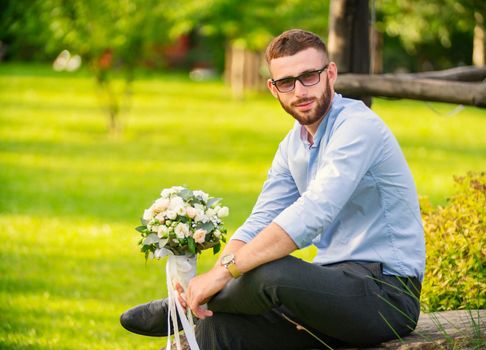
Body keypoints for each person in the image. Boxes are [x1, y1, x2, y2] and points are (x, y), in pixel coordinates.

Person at [121, 29, 425, 349]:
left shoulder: (357, 127)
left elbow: (313, 212)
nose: (299, 90)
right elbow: (260, 220)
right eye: (286, 82)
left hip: (385, 297)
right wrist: (214, 273)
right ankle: (201, 306)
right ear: (273, 88)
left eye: (309, 76)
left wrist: (220, 276)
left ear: (330, 74)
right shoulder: (293, 145)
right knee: (221, 329)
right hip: (328, 293)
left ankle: (181, 309)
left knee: (272, 273)